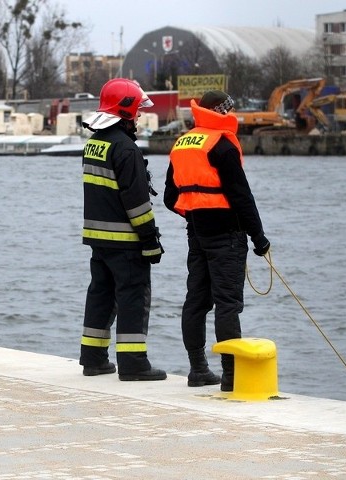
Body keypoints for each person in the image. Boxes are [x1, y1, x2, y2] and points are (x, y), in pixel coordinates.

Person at [163, 90, 271, 392]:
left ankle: (198, 369)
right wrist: (258, 237)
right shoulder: (222, 144)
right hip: (227, 235)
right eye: (230, 108)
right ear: (221, 112)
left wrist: (195, 213)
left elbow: (171, 197)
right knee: (228, 305)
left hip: (196, 233)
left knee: (196, 301)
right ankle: (231, 377)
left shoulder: (182, 143)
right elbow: (240, 196)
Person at [79, 78, 166, 382]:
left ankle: (93, 359)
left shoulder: (95, 143)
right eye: (138, 111)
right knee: (132, 297)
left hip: (98, 240)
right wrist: (151, 241)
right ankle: (133, 364)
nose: (140, 116)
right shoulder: (126, 149)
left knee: (100, 294)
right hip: (127, 242)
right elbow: (137, 203)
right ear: (126, 111)